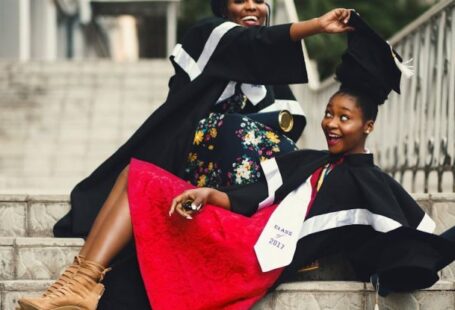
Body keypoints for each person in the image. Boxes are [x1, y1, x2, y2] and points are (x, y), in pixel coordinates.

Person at [18, 11, 455, 310]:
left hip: (252, 254)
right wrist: (208, 192)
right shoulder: (311, 160)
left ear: (368, 126)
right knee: (138, 173)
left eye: (345, 117)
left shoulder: (369, 182)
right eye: (328, 112)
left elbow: (418, 239)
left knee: (143, 190)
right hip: (241, 229)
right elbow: (252, 193)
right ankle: (78, 283)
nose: (331, 123)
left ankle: (80, 285)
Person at [50, 0, 354, 308]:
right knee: (231, 128)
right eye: (239, 0)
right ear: (223, 7)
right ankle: (81, 280)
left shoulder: (269, 76)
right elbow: (250, 43)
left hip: (243, 193)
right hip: (191, 166)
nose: (252, 6)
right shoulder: (208, 34)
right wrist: (315, 25)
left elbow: (291, 124)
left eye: (259, 0)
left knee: (303, 161)